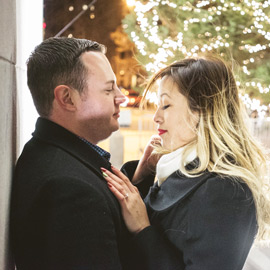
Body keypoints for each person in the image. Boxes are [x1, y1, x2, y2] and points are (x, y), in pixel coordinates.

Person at [102, 56, 270, 269]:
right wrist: (141, 176)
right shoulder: (174, 169)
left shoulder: (225, 190)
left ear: (200, 110)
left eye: (166, 105)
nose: (156, 117)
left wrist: (143, 230)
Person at [10, 37, 152, 270]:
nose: (122, 97)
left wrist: (137, 178)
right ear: (67, 98)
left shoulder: (46, 151)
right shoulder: (69, 190)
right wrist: (144, 233)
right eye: (108, 89)